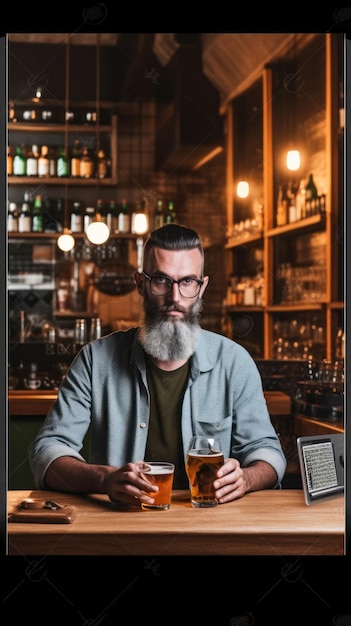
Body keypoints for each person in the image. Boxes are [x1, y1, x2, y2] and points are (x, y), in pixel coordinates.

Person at [29, 223, 286, 506]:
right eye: (162, 280)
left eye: (188, 281)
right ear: (141, 283)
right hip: (120, 530)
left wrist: (247, 478)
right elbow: (47, 452)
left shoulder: (235, 362)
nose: (174, 297)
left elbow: (269, 453)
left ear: (202, 288)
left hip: (210, 529)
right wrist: (105, 478)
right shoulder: (94, 360)